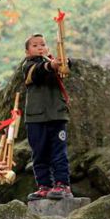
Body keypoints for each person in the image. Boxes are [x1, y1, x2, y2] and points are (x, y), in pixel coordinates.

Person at [23, 34, 74, 201]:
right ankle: (44, 185)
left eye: (43, 44)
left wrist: (63, 62)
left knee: (59, 152)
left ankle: (62, 184)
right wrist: (50, 65)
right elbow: (36, 73)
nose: (40, 48)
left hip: (56, 115)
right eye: (35, 45)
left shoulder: (56, 64)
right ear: (27, 52)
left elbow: (66, 68)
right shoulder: (28, 66)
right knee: (39, 153)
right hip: (35, 118)